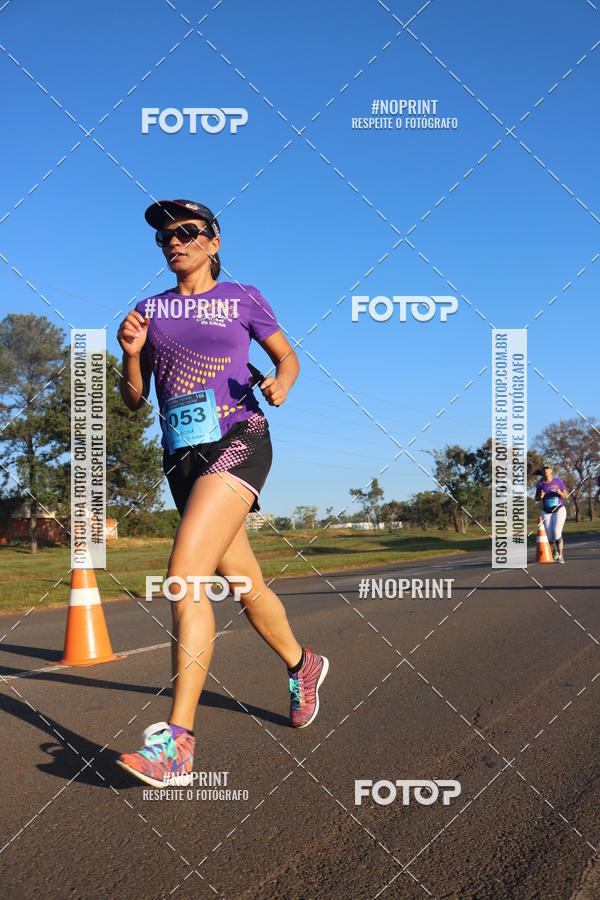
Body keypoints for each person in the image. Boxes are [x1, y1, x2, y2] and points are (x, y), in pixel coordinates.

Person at [115, 198, 329, 787]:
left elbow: (287, 359)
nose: (174, 241)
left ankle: (178, 743)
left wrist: (281, 384)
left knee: (185, 575)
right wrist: (130, 356)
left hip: (239, 437)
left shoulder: (243, 298)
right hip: (181, 457)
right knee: (245, 584)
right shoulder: (147, 310)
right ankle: (301, 663)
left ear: (213, 242)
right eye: (164, 236)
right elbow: (135, 401)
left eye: (186, 232)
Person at [535, 463, 568, 563]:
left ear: (551, 470)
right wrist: (540, 497)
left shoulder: (558, 481)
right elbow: (536, 498)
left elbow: (565, 495)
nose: (546, 470)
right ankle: (555, 551)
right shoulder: (540, 484)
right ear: (543, 471)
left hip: (559, 510)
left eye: (548, 468)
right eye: (544, 469)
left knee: (557, 532)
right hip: (546, 511)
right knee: (549, 536)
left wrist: (560, 493)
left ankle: (561, 555)